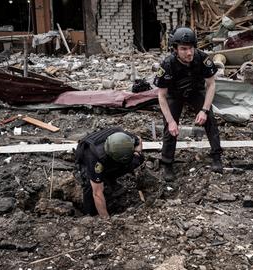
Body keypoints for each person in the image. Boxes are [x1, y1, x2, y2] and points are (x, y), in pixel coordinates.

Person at [153, 26, 223, 181]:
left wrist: (204, 110)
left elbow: (211, 85)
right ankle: (167, 164)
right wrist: (171, 121)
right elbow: (161, 96)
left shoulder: (202, 58)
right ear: (175, 49)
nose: (189, 53)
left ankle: (217, 157)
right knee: (170, 127)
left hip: (195, 91)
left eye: (191, 48)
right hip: (174, 95)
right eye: (184, 49)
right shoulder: (167, 65)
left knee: (210, 119)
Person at [74, 127, 144, 218]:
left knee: (138, 160)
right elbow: (97, 193)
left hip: (113, 156)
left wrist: (137, 152)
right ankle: (90, 214)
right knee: (90, 186)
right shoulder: (94, 159)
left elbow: (139, 140)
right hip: (86, 158)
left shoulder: (125, 139)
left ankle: (110, 178)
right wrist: (106, 219)